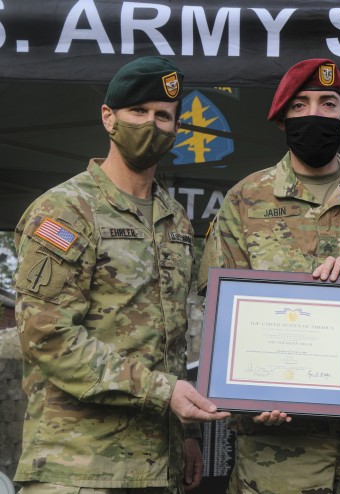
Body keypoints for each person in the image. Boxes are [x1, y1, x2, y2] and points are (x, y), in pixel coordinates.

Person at [197, 58, 340, 493]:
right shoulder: (245, 200)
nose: (315, 115)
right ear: (283, 116)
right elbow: (219, 312)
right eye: (301, 105)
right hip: (276, 458)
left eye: (328, 103)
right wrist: (248, 397)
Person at [13, 56, 229, 494]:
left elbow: (171, 340)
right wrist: (162, 391)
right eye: (138, 112)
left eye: (163, 116)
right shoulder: (66, 210)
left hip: (157, 468)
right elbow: (45, 335)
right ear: (109, 117)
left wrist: (186, 434)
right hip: (78, 467)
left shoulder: (177, 222)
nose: (151, 124)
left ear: (175, 129)